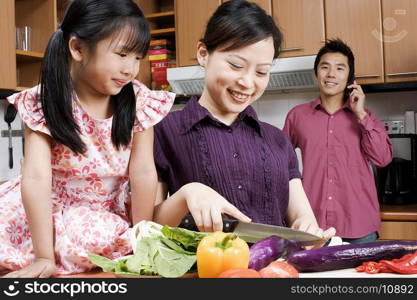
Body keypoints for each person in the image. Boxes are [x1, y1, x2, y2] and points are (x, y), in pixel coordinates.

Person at [0, 0, 174, 277]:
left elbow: (142, 172)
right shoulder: (42, 100)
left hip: (98, 213)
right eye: (122, 54)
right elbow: (35, 178)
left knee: (94, 236)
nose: (131, 69)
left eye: (138, 58)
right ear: (78, 48)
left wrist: (142, 239)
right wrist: (44, 256)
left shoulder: (139, 100)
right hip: (45, 208)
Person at [151, 0, 335, 240]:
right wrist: (187, 194)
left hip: (275, 272)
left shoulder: (277, 139)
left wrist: (308, 230)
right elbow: (148, 226)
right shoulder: (163, 131)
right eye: (236, 65)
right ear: (203, 54)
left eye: (261, 72)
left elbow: (301, 217)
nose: (248, 83)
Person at [283, 39, 393, 244]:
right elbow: (279, 163)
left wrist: (360, 115)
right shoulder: (297, 116)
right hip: (313, 225)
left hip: (359, 225)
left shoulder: (365, 117)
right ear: (316, 73)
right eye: (325, 67)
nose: (331, 74)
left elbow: (383, 158)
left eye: (340, 68)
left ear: (350, 77)